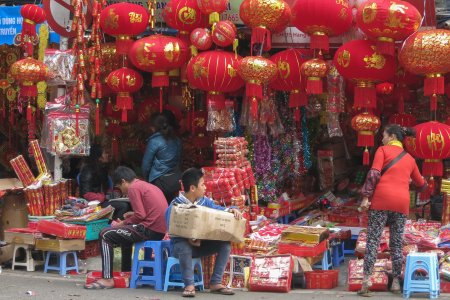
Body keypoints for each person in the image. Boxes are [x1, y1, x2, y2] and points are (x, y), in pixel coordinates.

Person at [358, 124, 427, 297]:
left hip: (381, 200)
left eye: (384, 135)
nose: (382, 138)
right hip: (401, 204)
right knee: (397, 244)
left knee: (373, 240)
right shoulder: (410, 159)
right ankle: (396, 283)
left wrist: (366, 196)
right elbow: (421, 184)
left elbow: (374, 174)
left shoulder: (382, 151)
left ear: (392, 137)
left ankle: (366, 282)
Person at [84, 166, 168, 289]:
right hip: (158, 230)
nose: (122, 191)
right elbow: (146, 212)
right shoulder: (146, 185)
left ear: (123, 181)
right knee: (125, 237)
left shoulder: (133, 188)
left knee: (105, 234)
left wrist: (121, 223)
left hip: (149, 229)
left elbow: (141, 215)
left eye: (120, 187)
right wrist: (131, 216)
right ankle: (126, 271)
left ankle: (107, 279)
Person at [166, 168, 242, 297]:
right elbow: (171, 229)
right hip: (179, 247)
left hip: (199, 245)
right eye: (202, 184)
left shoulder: (204, 201)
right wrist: (189, 238)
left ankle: (215, 283)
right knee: (184, 247)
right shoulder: (175, 205)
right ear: (192, 188)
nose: (205, 187)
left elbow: (219, 209)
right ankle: (189, 285)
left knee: (225, 244)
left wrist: (232, 209)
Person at [78, 144, 131, 220]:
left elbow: (107, 189)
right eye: (105, 153)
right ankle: (114, 226)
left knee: (129, 204)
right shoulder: (88, 170)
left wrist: (116, 194)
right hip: (93, 203)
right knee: (123, 206)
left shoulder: (102, 169)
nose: (107, 155)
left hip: (104, 200)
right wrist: (103, 196)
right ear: (99, 156)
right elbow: (85, 194)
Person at [142, 112, 182, 204]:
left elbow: (146, 165)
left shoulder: (154, 141)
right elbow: (179, 160)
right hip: (176, 180)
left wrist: (147, 180)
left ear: (154, 127)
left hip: (160, 181)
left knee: (159, 207)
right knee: (173, 207)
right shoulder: (176, 140)